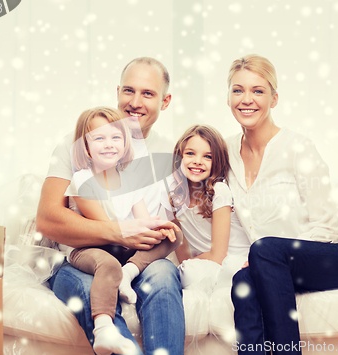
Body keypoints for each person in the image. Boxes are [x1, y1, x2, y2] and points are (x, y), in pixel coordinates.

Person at [226, 54, 338, 355]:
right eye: (238, 90)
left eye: (258, 91)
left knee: (264, 249)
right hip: (274, 262)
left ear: (275, 98)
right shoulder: (225, 152)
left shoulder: (298, 147)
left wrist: (270, 257)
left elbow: (327, 225)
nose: (247, 99)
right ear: (228, 96)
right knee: (243, 280)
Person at [36, 57, 185, 355]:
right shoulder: (77, 143)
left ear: (165, 101)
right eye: (129, 91)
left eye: (148, 93)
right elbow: (48, 219)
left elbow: (175, 220)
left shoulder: (170, 154)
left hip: (137, 260)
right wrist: (119, 232)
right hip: (79, 260)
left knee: (164, 278)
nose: (135, 102)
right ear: (117, 91)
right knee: (92, 284)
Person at [62, 107, 182, 355]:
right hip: (91, 249)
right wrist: (138, 234)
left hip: (125, 249)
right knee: (108, 264)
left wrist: (159, 229)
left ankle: (130, 272)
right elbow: (106, 228)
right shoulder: (81, 180)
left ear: (126, 144)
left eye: (116, 137)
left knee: (174, 235)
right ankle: (104, 328)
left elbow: (143, 220)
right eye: (99, 138)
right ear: (85, 147)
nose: (109, 144)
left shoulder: (129, 180)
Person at [167, 125, 251, 290]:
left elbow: (218, 255)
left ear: (216, 162)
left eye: (207, 156)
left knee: (224, 269)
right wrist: (190, 266)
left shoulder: (219, 191)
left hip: (234, 260)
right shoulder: (174, 199)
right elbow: (184, 258)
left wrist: (192, 264)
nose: (197, 161)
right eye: (190, 153)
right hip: (205, 263)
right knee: (186, 273)